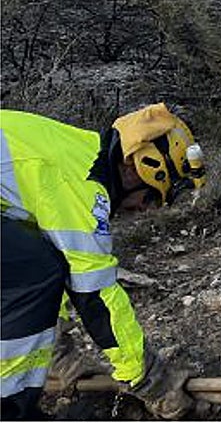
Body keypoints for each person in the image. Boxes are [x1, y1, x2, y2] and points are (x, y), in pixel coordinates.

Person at [1, 103, 207, 419]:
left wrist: (58, 355)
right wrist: (150, 379)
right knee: (35, 275)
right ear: (132, 165)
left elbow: (41, 266)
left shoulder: (78, 156)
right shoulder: (81, 186)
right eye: (152, 196)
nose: (149, 208)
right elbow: (94, 295)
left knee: (36, 266)